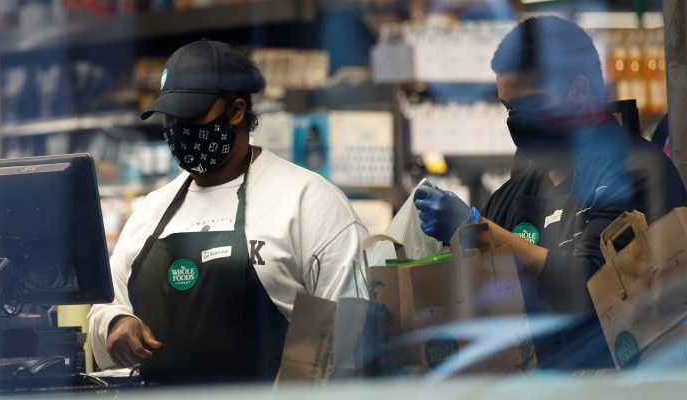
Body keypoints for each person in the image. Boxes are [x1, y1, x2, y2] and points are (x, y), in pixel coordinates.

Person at [87, 39, 369, 384]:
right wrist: (115, 323)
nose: (177, 129)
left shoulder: (308, 201)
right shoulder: (152, 210)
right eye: (170, 117)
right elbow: (105, 306)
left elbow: (351, 328)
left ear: (236, 111)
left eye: (191, 114)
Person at [414, 16, 687, 370]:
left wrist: (477, 230)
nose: (516, 122)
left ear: (579, 92)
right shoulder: (515, 192)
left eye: (529, 105)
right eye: (509, 109)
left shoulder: (635, 172)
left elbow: (592, 289)